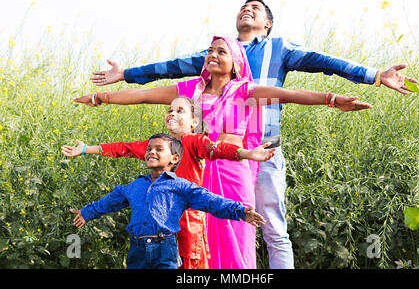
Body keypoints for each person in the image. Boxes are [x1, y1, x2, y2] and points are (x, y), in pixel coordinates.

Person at [87, 0, 419, 269]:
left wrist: (373, 76)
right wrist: (123, 76)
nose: (248, 9)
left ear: (268, 23)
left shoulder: (278, 51)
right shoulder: (209, 63)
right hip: (207, 156)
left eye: (256, 8)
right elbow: (165, 72)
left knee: (270, 225)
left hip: (262, 149)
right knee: (199, 230)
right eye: (244, 6)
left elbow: (323, 63)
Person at [63, 96, 275, 269]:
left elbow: (217, 149)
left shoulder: (194, 141)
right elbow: (124, 148)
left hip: (189, 221)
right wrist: (85, 149)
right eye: (170, 110)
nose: (172, 113)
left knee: (191, 266)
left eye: (180, 110)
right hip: (156, 222)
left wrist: (247, 153)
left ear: (193, 123)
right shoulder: (156, 147)